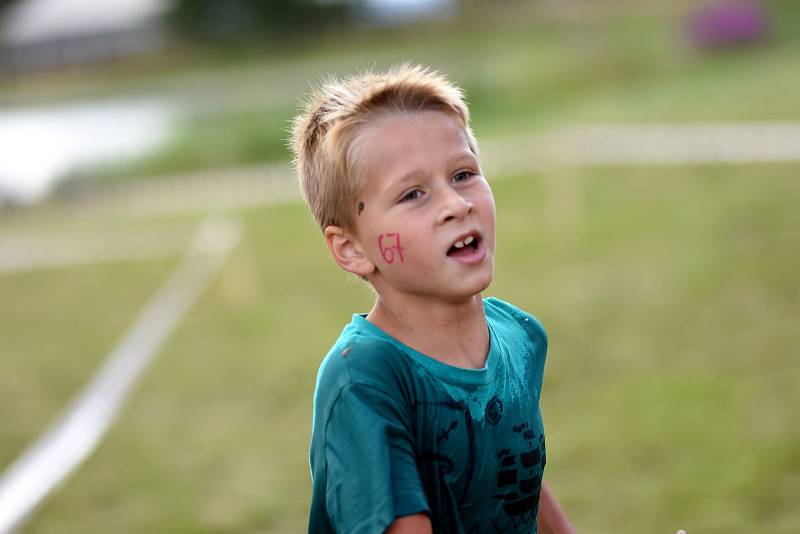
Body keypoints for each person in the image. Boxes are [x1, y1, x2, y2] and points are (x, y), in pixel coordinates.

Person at [290, 64, 575, 533]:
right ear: (352, 249)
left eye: (463, 174)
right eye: (414, 193)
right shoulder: (364, 379)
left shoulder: (519, 336)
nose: (455, 204)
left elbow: (514, 477)